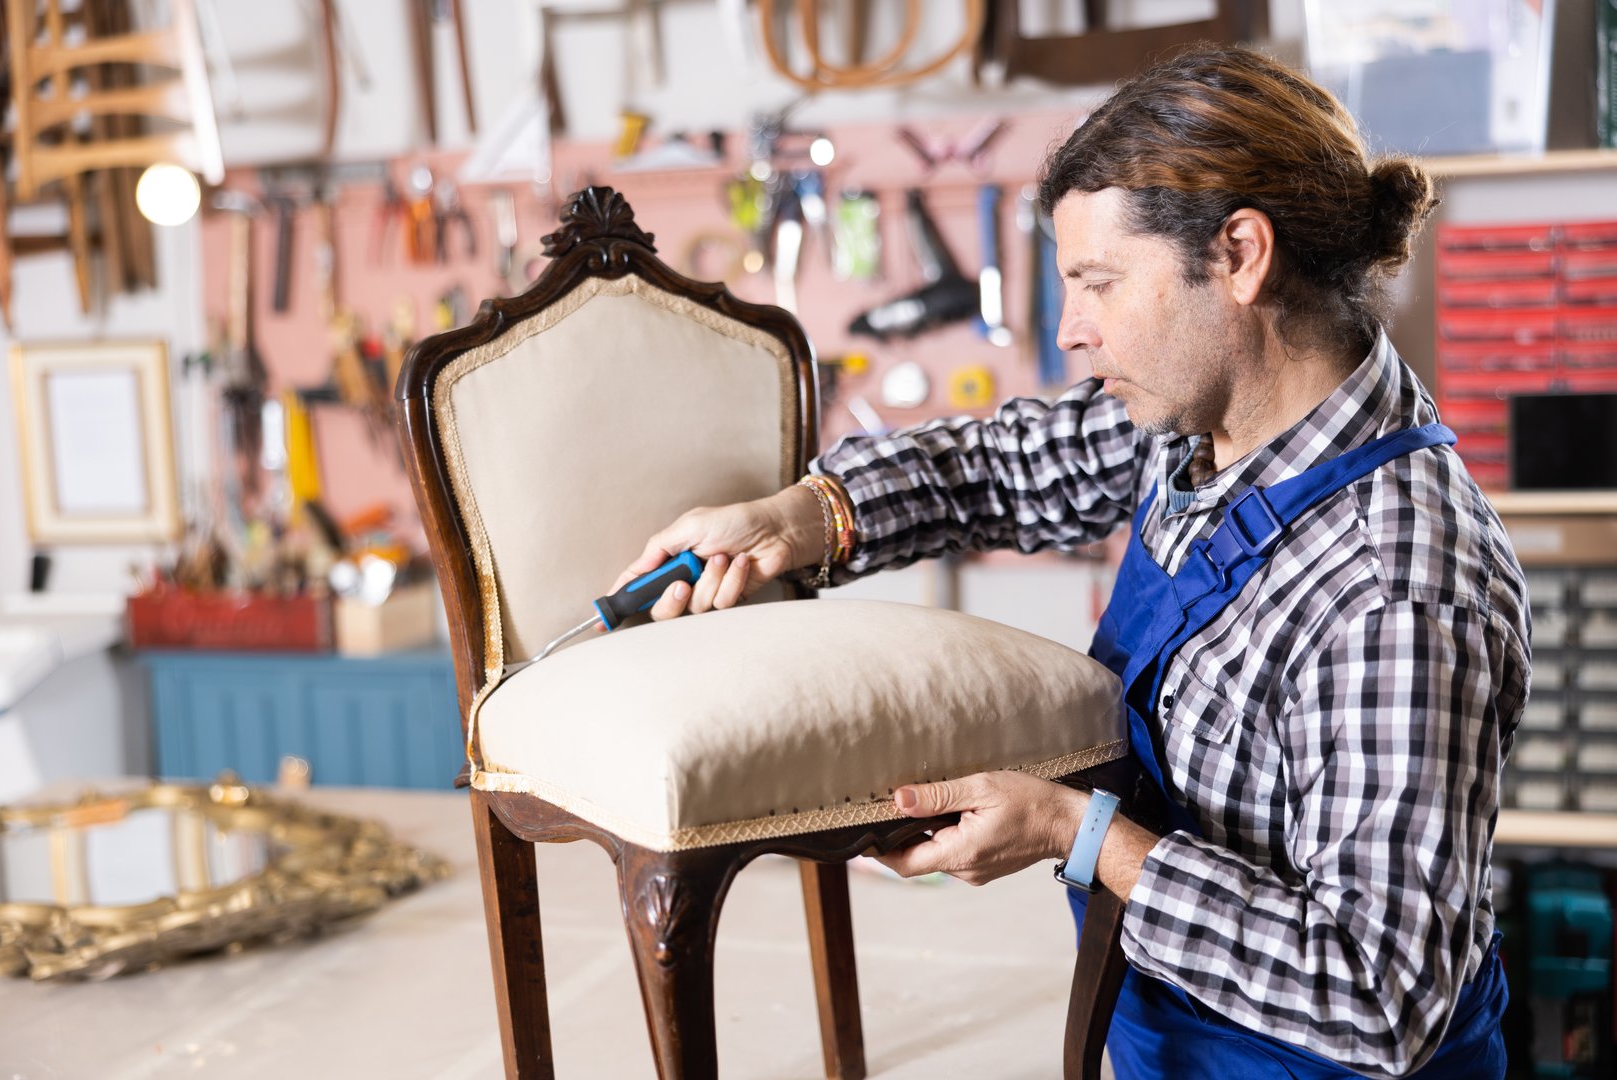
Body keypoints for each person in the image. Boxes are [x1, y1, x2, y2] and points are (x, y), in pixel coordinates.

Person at [611, 45, 1528, 1079]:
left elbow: (1378, 995)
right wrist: (803, 515)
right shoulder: (1196, 429)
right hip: (1170, 1032)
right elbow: (996, 469)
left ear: (1239, 256)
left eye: (1098, 282)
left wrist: (1074, 832)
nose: (1071, 330)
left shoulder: (1394, 587)